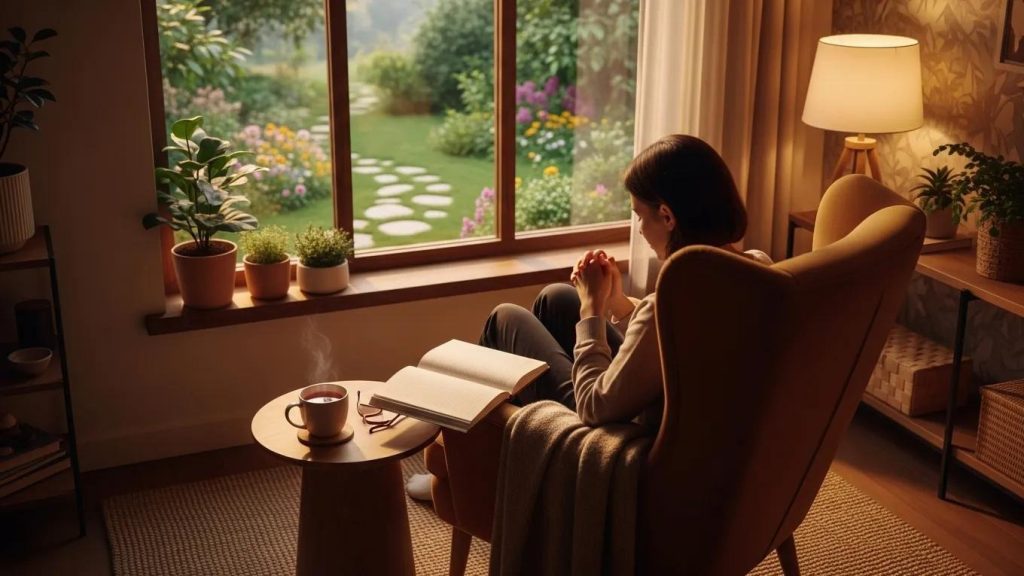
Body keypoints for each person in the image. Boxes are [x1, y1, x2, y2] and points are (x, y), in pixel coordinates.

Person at [406, 134, 771, 500]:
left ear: (667, 215)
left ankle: (465, 476)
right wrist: (617, 303)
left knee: (505, 319)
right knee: (557, 298)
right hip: (691, 429)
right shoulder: (759, 268)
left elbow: (595, 407)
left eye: (639, 216)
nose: (640, 229)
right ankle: (511, 461)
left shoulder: (666, 305)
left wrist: (592, 309)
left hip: (628, 441)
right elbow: (673, 345)